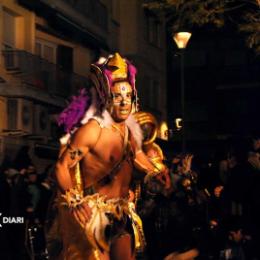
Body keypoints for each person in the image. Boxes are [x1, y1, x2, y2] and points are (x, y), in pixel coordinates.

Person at [52, 53, 168, 260]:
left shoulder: (129, 132)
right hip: (97, 216)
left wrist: (155, 171)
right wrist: (75, 200)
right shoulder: (93, 130)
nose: (124, 102)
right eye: (117, 96)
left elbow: (138, 155)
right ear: (107, 98)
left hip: (122, 213)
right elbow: (62, 166)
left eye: (128, 96)